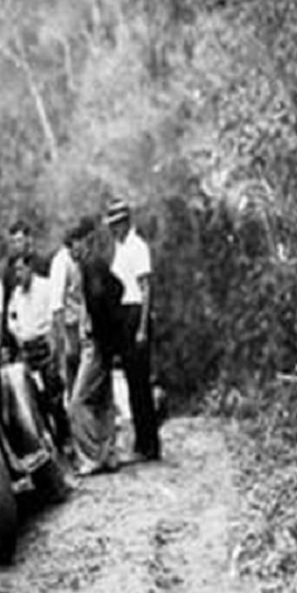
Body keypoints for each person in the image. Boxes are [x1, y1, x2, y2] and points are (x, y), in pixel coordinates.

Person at [104, 198, 161, 462]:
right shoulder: (120, 248)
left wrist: (141, 329)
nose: (114, 229)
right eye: (112, 225)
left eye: (118, 224)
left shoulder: (138, 247)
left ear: (127, 222)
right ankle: (142, 441)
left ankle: (149, 444)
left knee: (140, 384)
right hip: (124, 315)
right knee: (132, 383)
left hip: (136, 312)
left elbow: (145, 289)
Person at [68, 215, 124, 476]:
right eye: (70, 246)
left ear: (86, 242)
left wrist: (100, 333)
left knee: (77, 402)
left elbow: (107, 293)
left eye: (76, 243)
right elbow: (118, 287)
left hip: (97, 344)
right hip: (102, 342)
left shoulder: (91, 266)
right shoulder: (95, 264)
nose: (73, 249)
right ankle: (108, 454)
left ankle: (91, 457)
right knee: (103, 400)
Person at [6, 252, 70, 446]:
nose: (19, 274)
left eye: (21, 269)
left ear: (30, 268)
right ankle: (50, 439)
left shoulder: (44, 286)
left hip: (44, 343)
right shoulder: (16, 294)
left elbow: (53, 314)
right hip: (27, 347)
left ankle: (64, 436)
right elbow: (11, 318)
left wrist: (52, 339)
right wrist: (17, 334)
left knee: (54, 395)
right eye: (16, 270)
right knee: (35, 398)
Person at [1, 220, 50, 353]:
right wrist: (5, 339)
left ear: (29, 239)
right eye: (13, 242)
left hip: (41, 330)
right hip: (20, 333)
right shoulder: (9, 269)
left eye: (19, 240)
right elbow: (6, 305)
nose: (17, 245)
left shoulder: (42, 264)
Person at [48, 225, 84, 400]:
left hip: (81, 323)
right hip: (67, 326)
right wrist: (64, 339)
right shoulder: (61, 262)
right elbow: (57, 305)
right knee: (69, 371)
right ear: (71, 244)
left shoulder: (79, 260)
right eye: (78, 244)